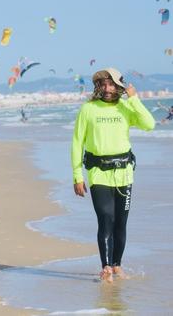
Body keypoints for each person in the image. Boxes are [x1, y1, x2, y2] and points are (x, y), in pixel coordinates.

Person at [71, 68, 155, 282]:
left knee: (120, 223)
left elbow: (149, 124)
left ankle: (117, 265)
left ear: (119, 86)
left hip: (124, 174)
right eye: (103, 84)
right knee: (106, 219)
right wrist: (77, 175)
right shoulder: (88, 109)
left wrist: (134, 99)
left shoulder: (126, 108)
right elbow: (77, 142)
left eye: (111, 84)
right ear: (97, 87)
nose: (107, 89)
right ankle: (106, 267)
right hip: (98, 174)